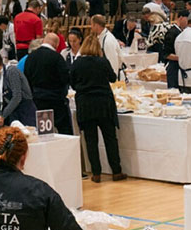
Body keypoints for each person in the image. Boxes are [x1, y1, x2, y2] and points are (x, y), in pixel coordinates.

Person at [71, 35, 124, 182]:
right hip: (104, 103)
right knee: (110, 138)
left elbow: (73, 83)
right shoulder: (102, 62)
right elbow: (113, 78)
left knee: (91, 140)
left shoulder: (77, 63)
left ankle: (96, 173)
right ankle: (116, 171)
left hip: (86, 104)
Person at [24, 33, 72, 135]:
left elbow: (26, 79)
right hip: (56, 101)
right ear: (56, 45)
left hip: (38, 101)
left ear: (43, 41)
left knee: (44, 133)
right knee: (65, 131)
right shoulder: (57, 57)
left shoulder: (30, 57)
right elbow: (65, 78)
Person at [0, 49, 36, 126]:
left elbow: (17, 97)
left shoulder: (12, 72)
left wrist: (3, 116)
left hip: (25, 112)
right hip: (14, 113)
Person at [91, 15, 124, 80]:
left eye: (92, 24)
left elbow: (113, 63)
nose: (91, 27)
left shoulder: (108, 40)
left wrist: (113, 81)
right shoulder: (100, 37)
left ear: (96, 25)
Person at [162, 12, 186, 90]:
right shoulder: (172, 32)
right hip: (173, 67)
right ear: (181, 18)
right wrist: (184, 58)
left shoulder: (181, 31)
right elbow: (167, 54)